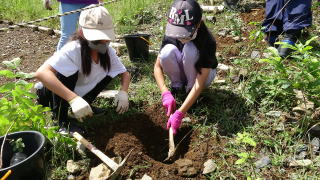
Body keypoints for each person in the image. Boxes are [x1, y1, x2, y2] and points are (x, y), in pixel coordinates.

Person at [35, 6, 130, 134]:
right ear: (81, 32)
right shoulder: (73, 49)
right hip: (51, 95)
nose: (102, 41)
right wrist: (73, 99)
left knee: (109, 72)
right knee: (67, 71)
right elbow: (41, 73)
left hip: (75, 93)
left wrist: (123, 92)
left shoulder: (108, 52)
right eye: (97, 39)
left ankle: (85, 104)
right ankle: (60, 121)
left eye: (104, 38)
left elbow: (124, 73)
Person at [154, 0, 218, 135]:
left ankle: (189, 90)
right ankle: (177, 86)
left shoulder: (207, 41)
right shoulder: (170, 35)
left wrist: (180, 113)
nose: (181, 37)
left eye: (186, 33)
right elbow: (157, 67)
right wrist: (165, 92)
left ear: (199, 24)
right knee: (167, 52)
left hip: (202, 76)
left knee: (190, 49)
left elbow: (200, 82)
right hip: (183, 68)